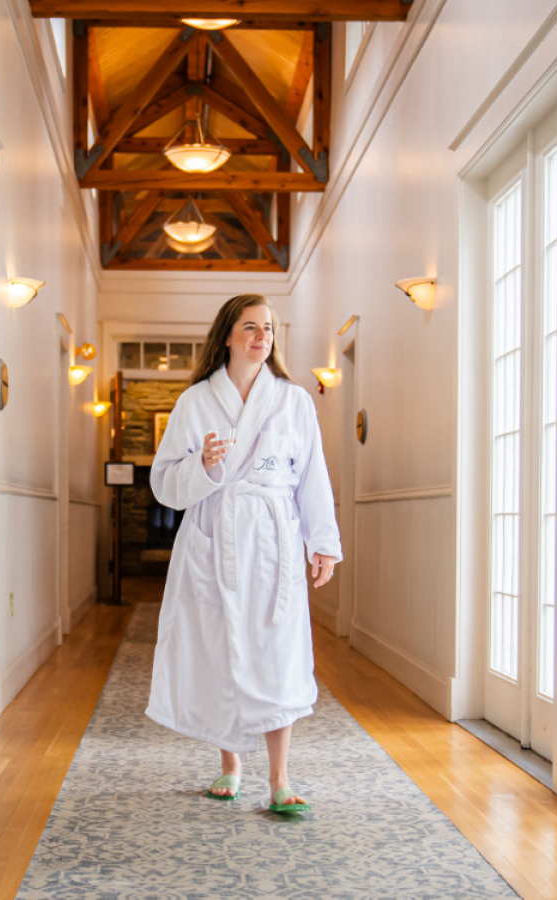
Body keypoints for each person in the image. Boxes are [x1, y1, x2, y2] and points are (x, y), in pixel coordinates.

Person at [145, 293, 342, 815]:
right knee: (220, 644)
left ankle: (280, 778)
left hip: (274, 537)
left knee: (276, 650)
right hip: (215, 535)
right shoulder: (195, 402)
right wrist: (205, 467)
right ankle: (231, 765)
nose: (262, 336)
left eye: (269, 328)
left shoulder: (294, 400)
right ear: (227, 335)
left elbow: (312, 477)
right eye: (250, 326)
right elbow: (164, 482)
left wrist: (321, 543)